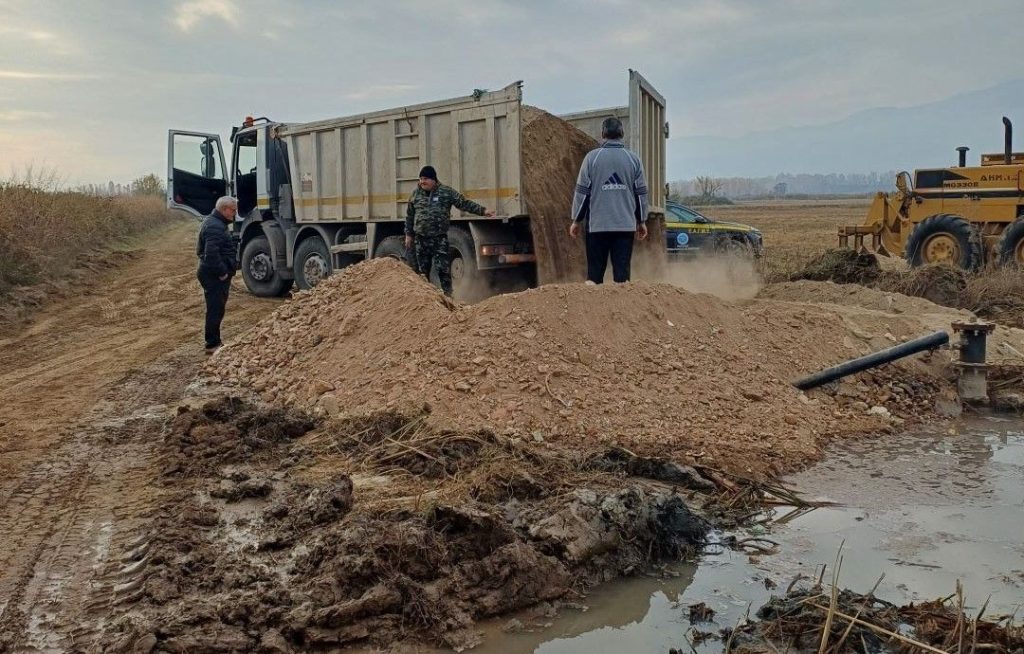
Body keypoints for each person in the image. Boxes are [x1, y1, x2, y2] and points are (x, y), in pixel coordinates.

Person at [568, 116, 649, 283]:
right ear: (622, 134)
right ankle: (622, 308)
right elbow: (640, 194)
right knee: (622, 278)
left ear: (602, 134)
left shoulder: (591, 158)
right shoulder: (634, 159)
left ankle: (593, 308)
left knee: (594, 277)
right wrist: (642, 221)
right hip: (625, 227)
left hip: (597, 227)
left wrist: (576, 220)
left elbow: (582, 192)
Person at [404, 165, 495, 296]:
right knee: (422, 273)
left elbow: (463, 203)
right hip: (421, 240)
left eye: (425, 179)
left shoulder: (446, 192)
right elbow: (409, 216)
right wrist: (408, 234)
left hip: (439, 239)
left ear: (433, 179)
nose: (422, 182)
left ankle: (448, 299)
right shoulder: (415, 194)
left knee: (443, 272)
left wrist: (483, 211)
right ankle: (425, 300)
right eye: (420, 179)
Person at [196, 196, 238, 353]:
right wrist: (222, 273)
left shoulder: (215, 223)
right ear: (224, 209)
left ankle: (215, 342)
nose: (234, 214)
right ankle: (212, 344)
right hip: (213, 275)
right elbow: (211, 254)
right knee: (215, 309)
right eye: (233, 210)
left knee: (216, 308)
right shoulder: (215, 226)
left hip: (211, 273)